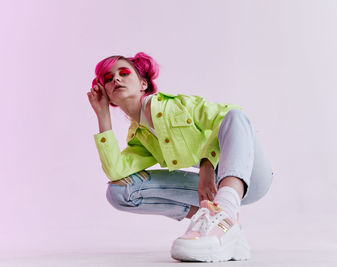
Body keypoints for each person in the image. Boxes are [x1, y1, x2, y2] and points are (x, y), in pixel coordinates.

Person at [87, 52, 274, 262]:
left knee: (235, 116)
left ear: (143, 84)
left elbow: (233, 115)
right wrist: (102, 115)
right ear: (108, 96)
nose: (116, 79)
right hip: (212, 191)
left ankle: (224, 216)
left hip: (251, 176)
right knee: (120, 191)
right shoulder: (140, 136)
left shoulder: (176, 105)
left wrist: (207, 165)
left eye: (123, 73)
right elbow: (116, 171)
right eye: (108, 79)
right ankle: (218, 221)